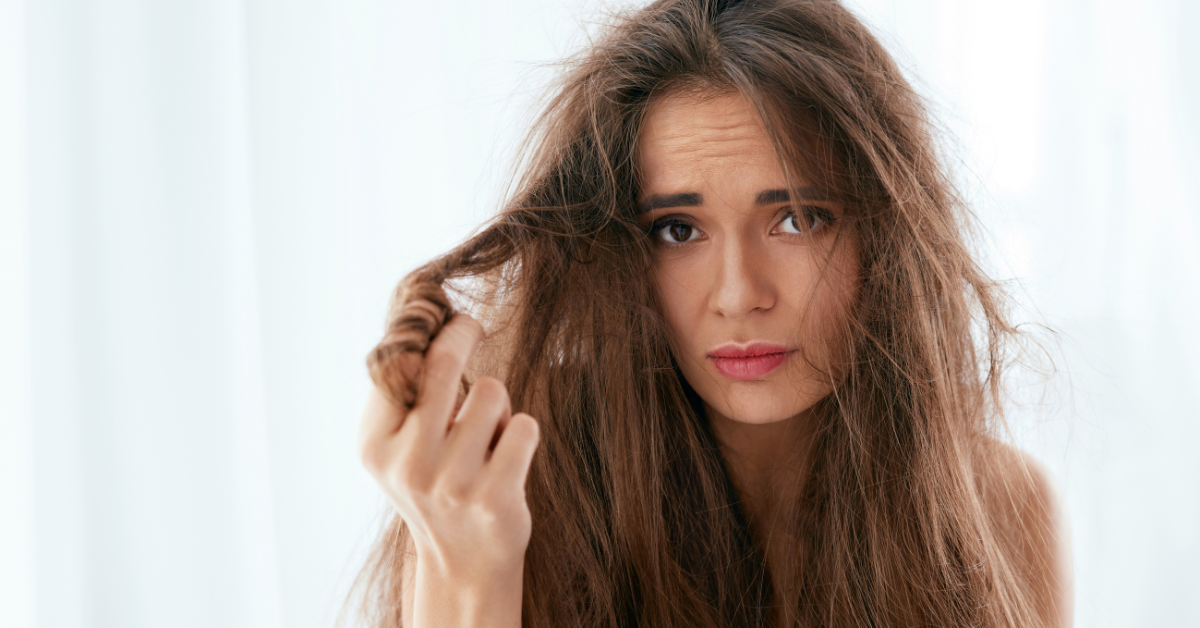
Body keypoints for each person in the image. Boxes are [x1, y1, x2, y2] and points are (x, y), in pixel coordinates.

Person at [351, 0, 1071, 626]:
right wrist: (468, 571)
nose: (738, 294)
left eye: (796, 219)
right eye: (677, 230)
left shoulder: (996, 510)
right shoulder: (507, 500)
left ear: (888, 239)